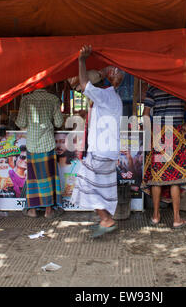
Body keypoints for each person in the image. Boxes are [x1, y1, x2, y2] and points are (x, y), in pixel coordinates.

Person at [70, 45, 123, 238]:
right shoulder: (112, 97)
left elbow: (84, 85)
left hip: (100, 152)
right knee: (103, 187)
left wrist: (81, 60)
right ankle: (105, 219)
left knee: (86, 184)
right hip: (109, 152)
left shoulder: (105, 94)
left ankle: (106, 220)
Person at [141, 86, 186, 229]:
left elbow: (145, 115)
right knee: (175, 178)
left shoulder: (152, 88)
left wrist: (151, 133)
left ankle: (155, 216)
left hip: (158, 131)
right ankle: (177, 218)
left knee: (157, 176)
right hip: (176, 132)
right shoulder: (178, 85)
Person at [15, 84, 65, 218]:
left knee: (33, 178)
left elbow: (20, 123)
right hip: (47, 143)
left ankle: (33, 210)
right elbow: (59, 123)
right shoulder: (53, 99)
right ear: (47, 86)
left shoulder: (26, 100)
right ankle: (48, 211)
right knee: (47, 177)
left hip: (32, 144)